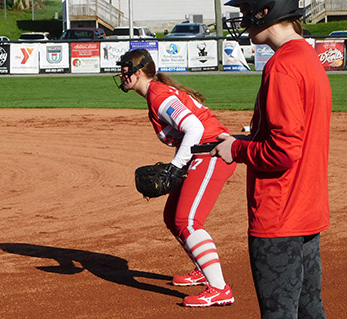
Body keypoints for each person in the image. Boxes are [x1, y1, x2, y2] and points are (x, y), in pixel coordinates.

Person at [212, 0, 331, 318]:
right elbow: (295, 137)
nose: (241, 18)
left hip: (279, 216)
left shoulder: (282, 65)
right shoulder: (307, 56)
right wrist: (241, 141)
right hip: (306, 209)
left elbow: (283, 150)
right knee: (309, 310)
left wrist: (236, 151)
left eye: (245, 10)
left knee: (279, 313)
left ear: (265, 11)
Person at [114, 49, 236, 307]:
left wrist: (175, 166)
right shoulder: (156, 93)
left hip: (212, 153)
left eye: (125, 69)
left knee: (187, 220)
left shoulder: (159, 95)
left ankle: (219, 288)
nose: (122, 74)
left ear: (138, 73)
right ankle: (203, 268)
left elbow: (195, 127)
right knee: (172, 216)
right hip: (203, 153)